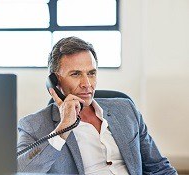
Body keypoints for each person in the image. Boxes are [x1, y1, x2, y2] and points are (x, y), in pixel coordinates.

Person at [17, 36, 177, 175]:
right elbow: (20, 171)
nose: (87, 84)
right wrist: (62, 129)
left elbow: (159, 168)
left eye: (91, 73)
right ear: (55, 82)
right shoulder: (33, 125)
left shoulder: (126, 109)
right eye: (75, 74)